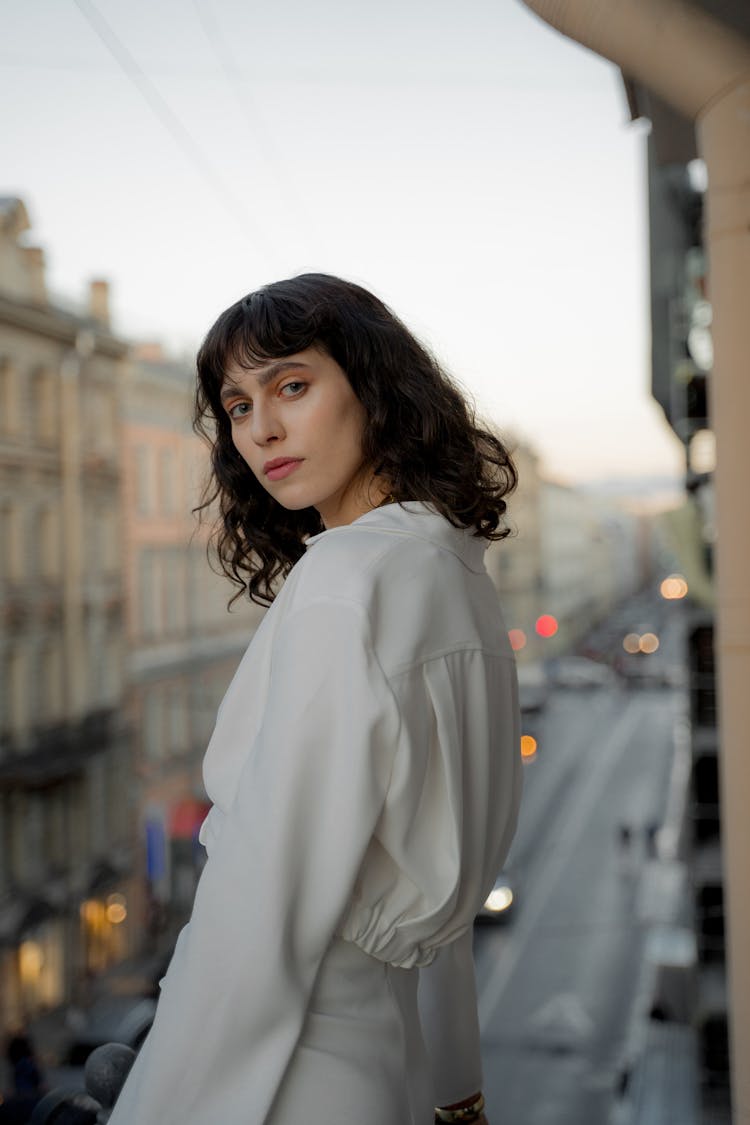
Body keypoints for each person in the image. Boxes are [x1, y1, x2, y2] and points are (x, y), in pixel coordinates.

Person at [108, 273, 522, 1124]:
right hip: (394, 1066)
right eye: (236, 405)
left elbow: (260, 901)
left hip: (292, 1072)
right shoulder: (454, 569)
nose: (262, 428)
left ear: (373, 385)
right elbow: (434, 918)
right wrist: (458, 1089)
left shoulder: (346, 578)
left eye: (291, 385)